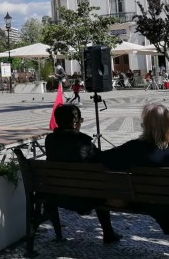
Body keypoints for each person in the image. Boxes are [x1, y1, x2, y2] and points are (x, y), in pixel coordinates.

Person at [102, 103, 169, 258]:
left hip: (156, 201)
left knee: (155, 201)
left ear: (146, 126)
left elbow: (107, 159)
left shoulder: (136, 147)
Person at [45, 104, 121, 244]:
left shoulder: (49, 140)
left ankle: (59, 234)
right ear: (75, 121)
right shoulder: (83, 142)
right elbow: (101, 162)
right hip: (84, 198)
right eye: (81, 120)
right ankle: (108, 232)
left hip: (56, 194)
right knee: (100, 187)